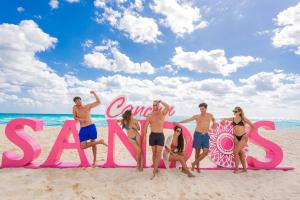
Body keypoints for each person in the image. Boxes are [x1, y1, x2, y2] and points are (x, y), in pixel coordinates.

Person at [177, 103, 217, 172]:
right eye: (200, 109)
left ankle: (194, 163)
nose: (201, 110)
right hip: (198, 134)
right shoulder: (197, 116)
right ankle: (197, 167)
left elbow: (213, 119)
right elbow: (188, 120)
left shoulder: (210, 115)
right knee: (197, 152)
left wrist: (214, 122)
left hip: (206, 135)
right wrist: (179, 122)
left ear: (206, 108)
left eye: (203, 109)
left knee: (206, 152)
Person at [72, 91, 107, 167]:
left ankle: (94, 161)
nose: (78, 102)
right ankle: (100, 141)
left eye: (79, 100)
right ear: (75, 102)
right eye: (76, 101)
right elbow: (74, 117)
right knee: (82, 146)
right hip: (83, 128)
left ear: (81, 100)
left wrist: (94, 94)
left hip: (91, 127)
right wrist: (80, 119)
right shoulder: (75, 108)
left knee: (93, 144)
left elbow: (98, 102)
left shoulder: (88, 106)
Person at [220, 106, 255, 173]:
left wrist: (248, 134)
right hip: (236, 137)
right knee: (240, 153)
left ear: (239, 112)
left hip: (243, 137)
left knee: (235, 152)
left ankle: (236, 168)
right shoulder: (233, 119)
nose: (234, 113)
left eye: (235, 111)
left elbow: (253, 127)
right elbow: (224, 118)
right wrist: (222, 121)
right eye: (233, 111)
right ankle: (244, 169)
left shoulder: (244, 119)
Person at [144, 100, 169, 179]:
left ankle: (155, 169)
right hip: (152, 135)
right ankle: (155, 167)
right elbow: (145, 127)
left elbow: (167, 106)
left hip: (160, 136)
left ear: (159, 106)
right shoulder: (149, 115)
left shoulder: (162, 113)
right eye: (154, 105)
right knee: (154, 153)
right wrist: (144, 137)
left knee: (158, 154)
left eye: (156, 105)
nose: (155, 106)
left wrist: (161, 101)